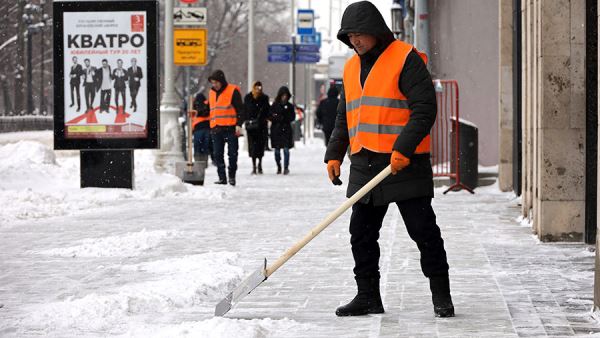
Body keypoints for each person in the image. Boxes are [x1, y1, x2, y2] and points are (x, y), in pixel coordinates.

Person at [325, 1, 454, 318]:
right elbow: (345, 116)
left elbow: (424, 109)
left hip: (403, 164)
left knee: (423, 231)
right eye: (350, 35)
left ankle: (441, 295)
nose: (355, 41)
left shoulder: (405, 58)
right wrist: (334, 154)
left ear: (376, 31)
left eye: (360, 34)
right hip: (365, 163)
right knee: (361, 235)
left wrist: (403, 149)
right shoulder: (351, 67)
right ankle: (368, 295)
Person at [207, 70, 244, 186]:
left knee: (232, 154)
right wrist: (197, 111)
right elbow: (211, 109)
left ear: (222, 81)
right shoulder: (211, 93)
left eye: (216, 82)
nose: (214, 85)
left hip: (230, 128)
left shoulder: (232, 91)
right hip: (216, 129)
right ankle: (222, 178)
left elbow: (241, 110)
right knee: (217, 154)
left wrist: (239, 124)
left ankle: (232, 176)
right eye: (213, 83)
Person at [243, 81, 270, 174]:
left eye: (260, 87)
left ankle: (260, 164)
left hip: (261, 126)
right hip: (251, 127)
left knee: (260, 146)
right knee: (253, 147)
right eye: (256, 87)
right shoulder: (248, 98)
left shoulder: (264, 98)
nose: (258, 89)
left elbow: (267, 111)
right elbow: (245, 110)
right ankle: (254, 165)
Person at [268, 86, 295, 175]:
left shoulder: (290, 106)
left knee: (286, 150)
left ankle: (286, 167)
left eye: (286, 95)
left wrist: (284, 118)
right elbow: (270, 116)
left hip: (286, 130)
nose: (284, 97)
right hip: (276, 130)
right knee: (277, 151)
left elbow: (292, 117)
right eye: (283, 95)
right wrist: (278, 118)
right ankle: (279, 166)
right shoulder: (275, 105)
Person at [191, 91, 211, 161]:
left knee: (198, 145)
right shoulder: (207, 103)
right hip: (207, 126)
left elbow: (191, 117)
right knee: (206, 145)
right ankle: (204, 160)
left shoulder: (193, 104)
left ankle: (198, 160)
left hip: (197, 128)